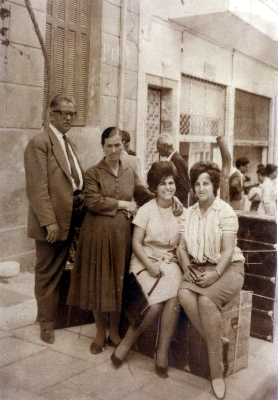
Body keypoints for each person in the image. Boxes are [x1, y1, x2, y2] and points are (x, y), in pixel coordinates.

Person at [67, 128, 183, 354]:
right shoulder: (93, 173)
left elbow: (144, 194)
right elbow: (92, 201)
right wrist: (124, 205)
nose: (114, 150)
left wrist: (171, 197)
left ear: (124, 146)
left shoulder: (130, 171)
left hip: (122, 236)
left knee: (118, 283)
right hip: (97, 234)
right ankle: (100, 334)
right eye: (109, 145)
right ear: (102, 147)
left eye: (118, 145)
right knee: (98, 283)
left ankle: (114, 332)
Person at [177, 161, 245, 399]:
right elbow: (181, 247)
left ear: (214, 186)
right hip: (199, 266)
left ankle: (217, 374)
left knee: (206, 302)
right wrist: (186, 265)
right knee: (184, 294)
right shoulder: (189, 213)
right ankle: (217, 341)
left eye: (206, 183)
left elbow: (227, 251)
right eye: (197, 183)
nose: (201, 188)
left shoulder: (225, 211)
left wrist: (215, 274)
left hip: (229, 268)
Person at [110, 161, 184, 379]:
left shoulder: (180, 210)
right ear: (154, 187)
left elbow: (181, 243)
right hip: (144, 261)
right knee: (152, 306)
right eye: (162, 184)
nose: (168, 188)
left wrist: (175, 256)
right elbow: (136, 243)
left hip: (169, 263)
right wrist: (150, 266)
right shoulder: (146, 210)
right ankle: (126, 343)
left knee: (174, 300)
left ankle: (161, 354)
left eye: (171, 183)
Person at [24, 94, 85, 344]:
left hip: (72, 216)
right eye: (64, 113)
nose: (69, 118)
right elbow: (37, 188)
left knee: (61, 271)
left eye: (72, 114)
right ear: (52, 115)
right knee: (47, 272)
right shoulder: (39, 143)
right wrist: (49, 222)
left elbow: (73, 178)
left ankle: (51, 316)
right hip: (52, 222)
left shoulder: (68, 143)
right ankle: (46, 324)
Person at [156, 132, 191, 207]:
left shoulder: (177, 161)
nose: (157, 151)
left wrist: (169, 197)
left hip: (177, 207)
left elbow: (185, 188)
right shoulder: (173, 160)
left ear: (165, 146)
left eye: (158, 147)